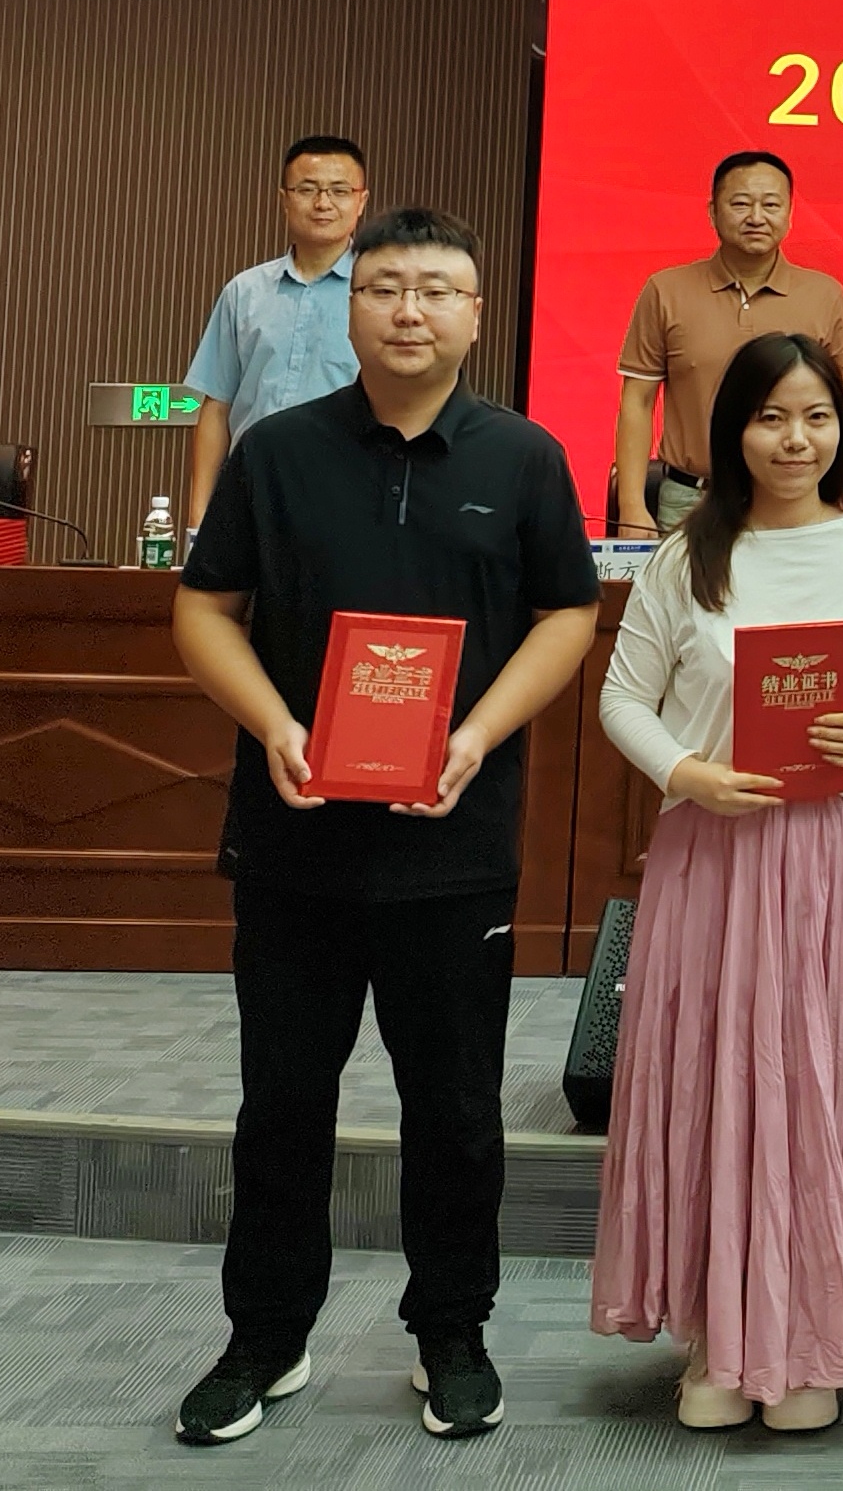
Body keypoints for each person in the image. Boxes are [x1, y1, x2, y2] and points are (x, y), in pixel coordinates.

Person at [170, 208, 601, 1446]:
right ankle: (265, 1335)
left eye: (436, 290)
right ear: (350, 309)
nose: (410, 310)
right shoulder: (278, 451)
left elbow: (567, 615)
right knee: (281, 1102)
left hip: (453, 848)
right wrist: (274, 722)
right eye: (386, 288)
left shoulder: (524, 456)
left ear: (476, 314)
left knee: (456, 1109)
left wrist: (477, 734)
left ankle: (451, 1330)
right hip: (295, 839)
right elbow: (206, 609)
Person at [592, 332, 843, 1432]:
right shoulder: (685, 557)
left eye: (816, 417)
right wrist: (689, 773)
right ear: (733, 432)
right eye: (770, 417)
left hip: (842, 852)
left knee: (824, 1079)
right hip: (716, 855)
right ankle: (720, 1334)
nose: (795, 439)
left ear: (842, 430)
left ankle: (815, 1336)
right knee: (719, 1079)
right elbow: (623, 700)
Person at [614, 150, 843, 537]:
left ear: (790, 213)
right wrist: (631, 505)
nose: (756, 217)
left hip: (791, 501)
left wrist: (837, 502)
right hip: (690, 499)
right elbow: (637, 401)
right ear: (713, 212)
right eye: (741, 204)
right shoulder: (666, 290)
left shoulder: (824, 295)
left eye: (771, 205)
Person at [183, 135, 370, 533]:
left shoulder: (379, 292)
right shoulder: (244, 292)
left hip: (349, 495)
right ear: (284, 199)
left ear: (361, 201)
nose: (323, 203)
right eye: (307, 189)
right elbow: (216, 409)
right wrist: (199, 520)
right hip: (251, 493)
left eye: (339, 191)